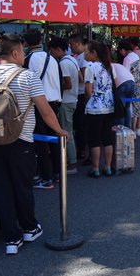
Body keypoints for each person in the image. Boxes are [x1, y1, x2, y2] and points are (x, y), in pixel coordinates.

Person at [0, 34, 69, 255]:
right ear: (15, 53)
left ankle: (11, 239)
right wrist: (60, 131)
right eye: (22, 52)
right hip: (20, 141)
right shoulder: (27, 77)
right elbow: (45, 111)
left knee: (0, 189)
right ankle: (29, 228)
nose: (24, 56)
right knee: (22, 186)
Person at [24, 30, 62, 189]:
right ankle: (58, 173)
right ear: (41, 40)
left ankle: (46, 178)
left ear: (26, 43)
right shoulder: (52, 59)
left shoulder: (27, 59)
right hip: (54, 103)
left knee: (40, 142)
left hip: (37, 105)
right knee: (54, 138)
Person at [83, 41, 116, 177]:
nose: (84, 54)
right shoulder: (109, 66)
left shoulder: (90, 68)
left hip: (95, 108)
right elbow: (115, 84)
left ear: (94, 53)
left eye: (86, 51)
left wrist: (87, 101)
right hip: (109, 106)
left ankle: (95, 168)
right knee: (107, 138)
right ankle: (108, 167)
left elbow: (88, 91)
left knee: (94, 139)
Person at [49, 37, 79, 174]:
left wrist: (55, 86)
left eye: (52, 51)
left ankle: (71, 164)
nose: (51, 54)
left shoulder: (63, 63)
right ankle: (69, 161)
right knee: (68, 131)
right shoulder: (73, 60)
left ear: (58, 50)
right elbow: (80, 78)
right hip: (73, 100)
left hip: (66, 101)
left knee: (66, 132)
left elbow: (68, 84)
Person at [68, 34, 89, 162]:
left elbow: (84, 78)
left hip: (82, 94)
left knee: (81, 124)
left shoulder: (84, 58)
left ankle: (82, 149)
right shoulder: (76, 57)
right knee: (78, 123)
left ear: (78, 43)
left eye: (71, 44)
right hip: (77, 93)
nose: (70, 46)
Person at [119, 40, 140, 137]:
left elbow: (125, 73)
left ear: (123, 50)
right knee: (139, 107)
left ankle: (132, 130)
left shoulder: (127, 58)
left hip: (131, 85)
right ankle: (138, 128)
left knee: (131, 109)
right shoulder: (136, 55)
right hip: (139, 84)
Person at [111, 56, 136, 128]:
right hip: (132, 83)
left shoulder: (109, 66)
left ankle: (121, 129)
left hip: (122, 84)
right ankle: (128, 128)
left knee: (120, 109)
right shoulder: (119, 65)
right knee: (127, 107)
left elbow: (114, 81)